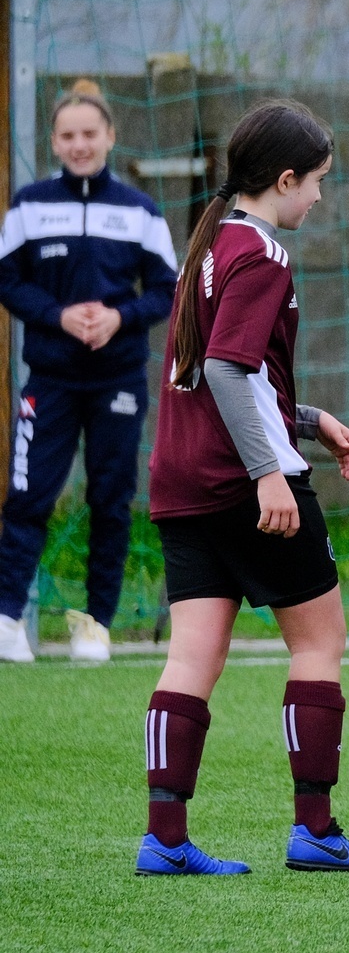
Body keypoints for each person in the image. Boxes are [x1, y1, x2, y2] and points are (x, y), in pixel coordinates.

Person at [138, 99, 349, 876]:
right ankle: (315, 830)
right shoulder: (263, 254)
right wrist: (269, 472)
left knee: (192, 656)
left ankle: (164, 840)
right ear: (283, 179)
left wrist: (309, 420)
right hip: (244, 483)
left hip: (183, 479)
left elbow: (218, 374)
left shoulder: (209, 246)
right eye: (316, 181)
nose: (319, 196)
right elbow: (225, 369)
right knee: (320, 642)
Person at [0, 80, 177, 664]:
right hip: (49, 381)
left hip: (117, 382)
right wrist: (58, 315)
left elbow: (166, 291)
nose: (79, 145)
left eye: (89, 134)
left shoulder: (140, 211)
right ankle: (6, 620)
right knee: (28, 495)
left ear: (110, 137)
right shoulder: (29, 206)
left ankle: (95, 627)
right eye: (68, 135)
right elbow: (7, 280)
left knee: (110, 500)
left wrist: (119, 318)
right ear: (54, 141)